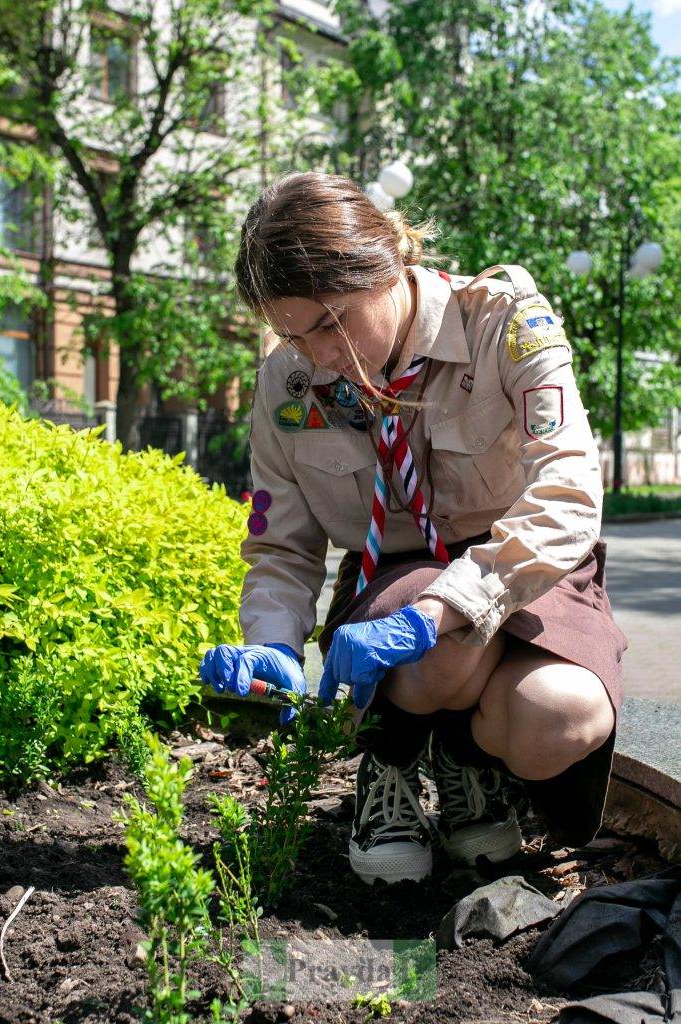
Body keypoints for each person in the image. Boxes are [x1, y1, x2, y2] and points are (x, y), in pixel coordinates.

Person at [199, 171, 628, 886]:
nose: (319, 356)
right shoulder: (288, 383)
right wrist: (270, 643)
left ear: (388, 263)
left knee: (556, 717)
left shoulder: (502, 324)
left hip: (526, 567)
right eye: (292, 335)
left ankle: (466, 762)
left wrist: (445, 605)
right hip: (391, 583)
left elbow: (568, 489)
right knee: (436, 652)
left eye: (332, 322)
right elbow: (283, 543)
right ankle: (392, 767)